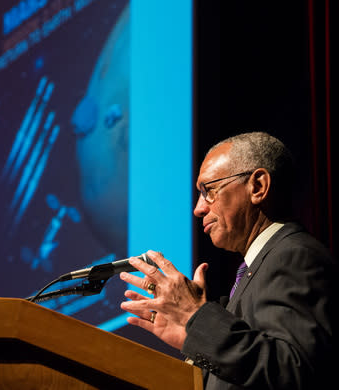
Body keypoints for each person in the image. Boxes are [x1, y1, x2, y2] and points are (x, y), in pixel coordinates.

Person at [119, 131, 336, 389]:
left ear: (257, 187)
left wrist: (196, 316)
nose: (198, 209)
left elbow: (292, 371)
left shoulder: (293, 255)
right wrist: (193, 336)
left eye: (208, 190)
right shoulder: (258, 269)